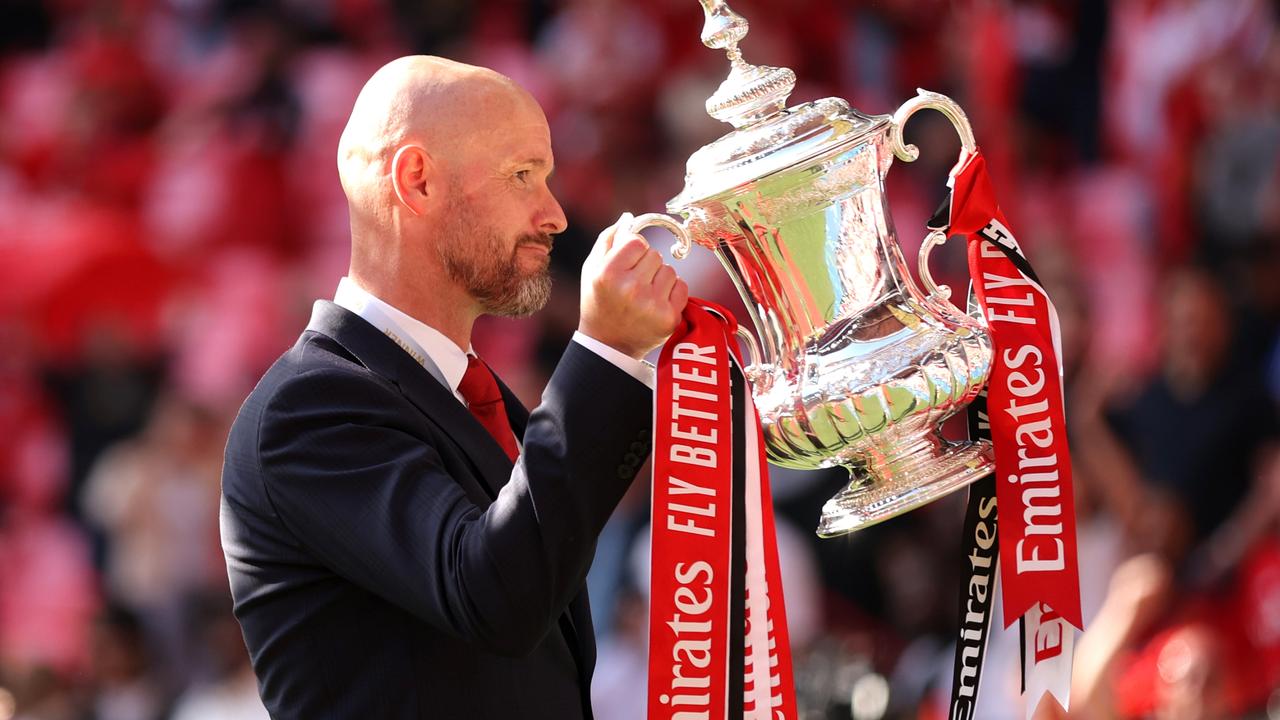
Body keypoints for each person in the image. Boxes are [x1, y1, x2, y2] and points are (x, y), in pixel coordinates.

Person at [219, 55, 688, 719]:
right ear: (418, 181)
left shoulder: (478, 397)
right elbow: (496, 594)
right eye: (523, 175)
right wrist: (607, 355)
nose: (555, 214)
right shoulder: (307, 409)